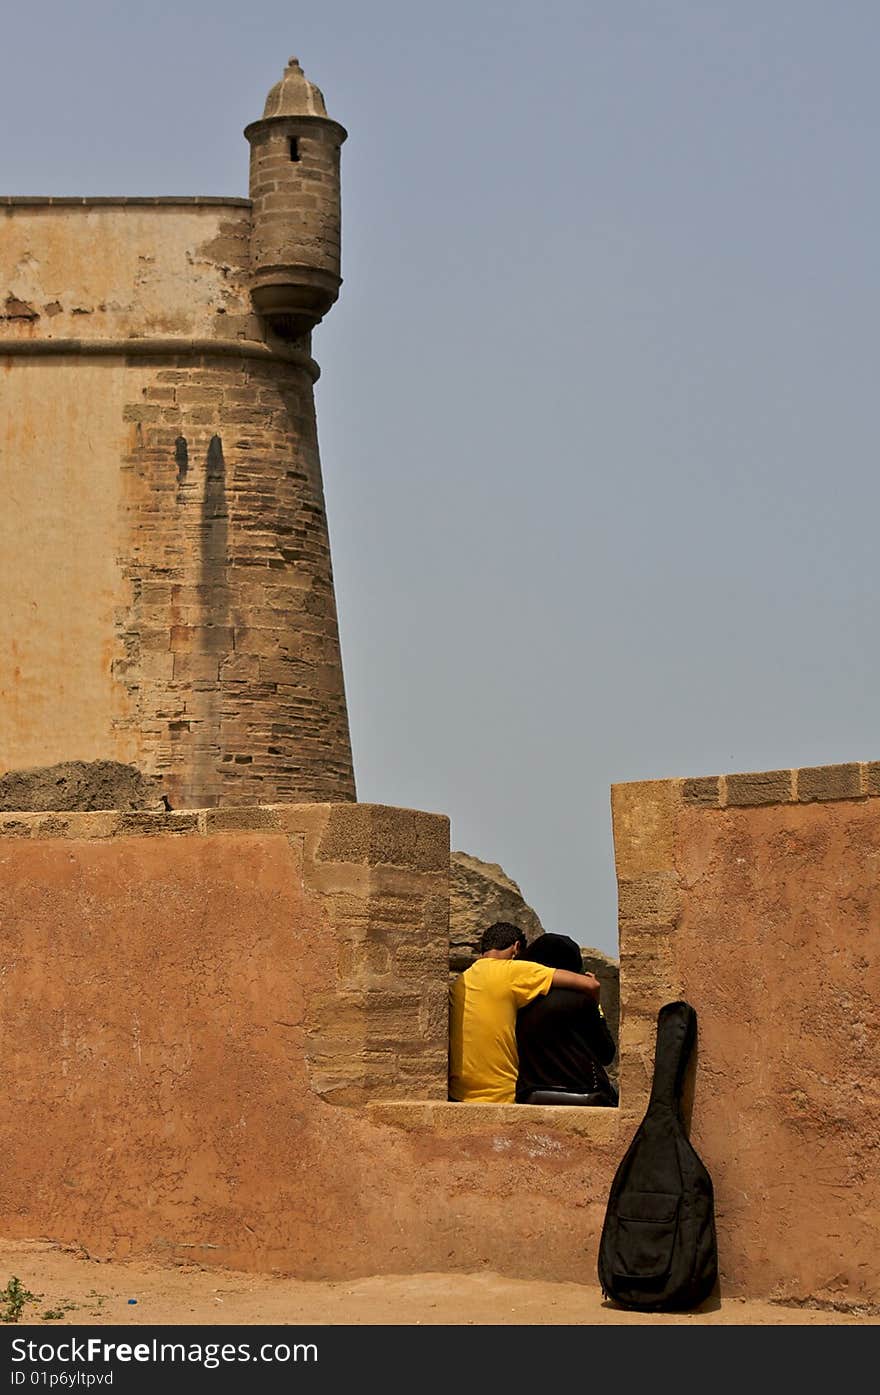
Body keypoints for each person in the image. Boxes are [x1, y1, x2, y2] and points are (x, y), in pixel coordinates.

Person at [449, 921, 602, 1104]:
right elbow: (591, 985)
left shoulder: (460, 982)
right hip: (502, 1095)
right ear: (516, 947)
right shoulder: (513, 970)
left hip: (458, 1094)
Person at [515, 933, 618, 1106]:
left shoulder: (520, 1002)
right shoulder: (582, 1001)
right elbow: (606, 1053)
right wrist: (596, 1004)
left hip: (532, 1094)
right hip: (586, 1093)